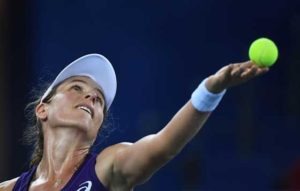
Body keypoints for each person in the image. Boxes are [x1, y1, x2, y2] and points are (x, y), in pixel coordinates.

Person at [0, 53, 269, 191]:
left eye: (100, 101)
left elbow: (164, 145)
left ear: (97, 128)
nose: (92, 96)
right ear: (42, 110)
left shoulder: (110, 166)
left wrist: (211, 90)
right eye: (77, 87)